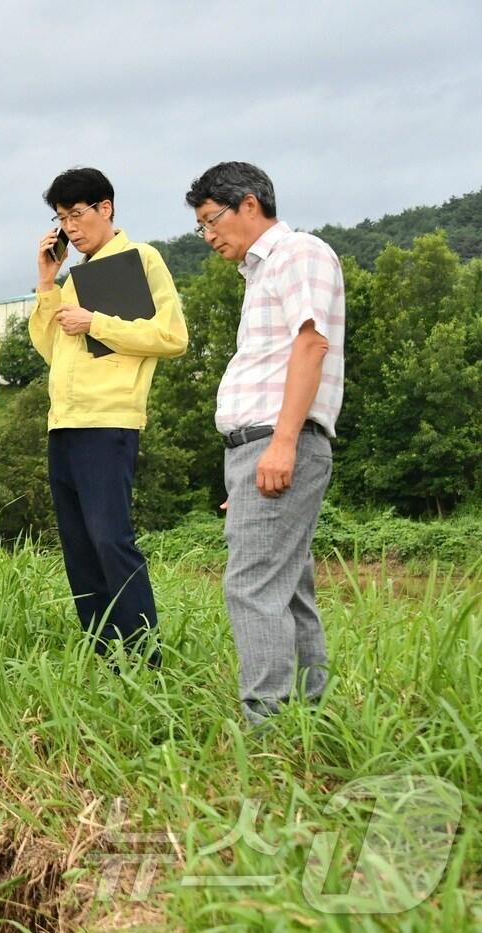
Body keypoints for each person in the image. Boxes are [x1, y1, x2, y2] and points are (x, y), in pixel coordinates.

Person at [186, 161, 344, 726]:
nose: (208, 237)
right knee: (286, 587)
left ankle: (267, 729)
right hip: (259, 447)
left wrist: (279, 446)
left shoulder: (298, 253)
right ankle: (308, 720)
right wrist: (249, 462)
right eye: (201, 227)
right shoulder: (259, 274)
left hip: (281, 440)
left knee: (251, 586)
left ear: (248, 204)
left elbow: (311, 345)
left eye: (211, 221)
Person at [28, 168, 187, 665]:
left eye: (77, 215)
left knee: (109, 539)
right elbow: (52, 350)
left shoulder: (142, 259)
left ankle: (144, 657)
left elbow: (172, 337)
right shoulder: (77, 276)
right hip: (65, 422)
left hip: (110, 421)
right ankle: (103, 655)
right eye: (61, 219)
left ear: (106, 208)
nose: (70, 228)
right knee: (78, 547)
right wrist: (47, 282)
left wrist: (96, 321)